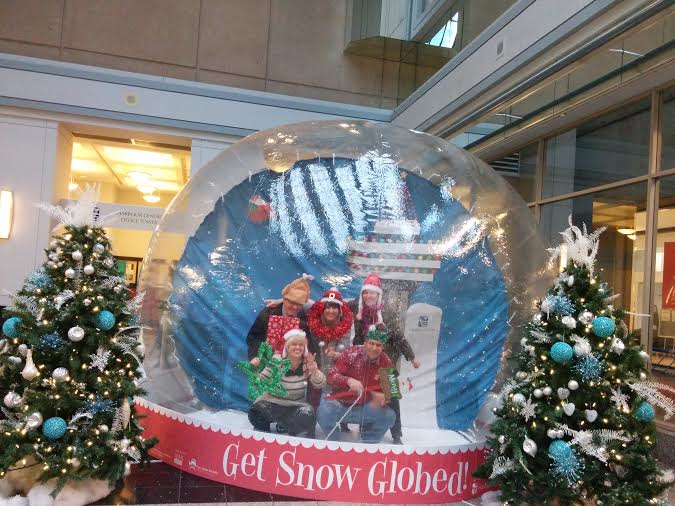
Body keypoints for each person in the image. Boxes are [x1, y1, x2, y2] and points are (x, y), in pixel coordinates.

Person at [346, 272, 420, 444]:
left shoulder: (386, 314)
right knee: (363, 395)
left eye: (371, 292)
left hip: (386, 365)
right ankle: (358, 427)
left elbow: (399, 338)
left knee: (392, 397)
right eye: (365, 292)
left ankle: (397, 434)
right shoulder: (358, 309)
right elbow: (335, 305)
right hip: (364, 363)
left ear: (378, 294)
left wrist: (411, 357)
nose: (368, 296)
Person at [317, 325, 396, 444]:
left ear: (383, 347)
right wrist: (348, 380)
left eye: (378, 345)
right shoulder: (351, 353)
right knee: (323, 411)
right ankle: (334, 442)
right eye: (371, 343)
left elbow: (390, 389)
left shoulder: (386, 362)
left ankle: (368, 442)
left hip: (365, 408)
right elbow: (331, 376)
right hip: (340, 404)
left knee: (389, 416)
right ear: (365, 343)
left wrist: (386, 397)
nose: (374, 348)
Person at [248, 329, 325, 437]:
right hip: (272, 402)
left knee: (307, 416)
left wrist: (314, 370)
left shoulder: (308, 363)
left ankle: (292, 434)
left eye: (301, 345)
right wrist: (254, 370)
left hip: (295, 405)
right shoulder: (276, 360)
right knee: (257, 412)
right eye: (294, 344)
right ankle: (265, 437)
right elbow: (260, 383)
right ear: (287, 347)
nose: (298, 347)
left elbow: (320, 384)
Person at [246, 274, 314, 364]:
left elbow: (308, 343)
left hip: (292, 365)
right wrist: (256, 356)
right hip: (267, 362)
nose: (295, 307)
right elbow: (253, 338)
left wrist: (308, 355)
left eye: (299, 304)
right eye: (292, 302)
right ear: (284, 299)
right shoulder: (268, 313)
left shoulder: (304, 318)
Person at [307, 287, 354, 376]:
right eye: (328, 308)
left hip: (339, 368)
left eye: (334, 308)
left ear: (339, 310)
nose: (331, 311)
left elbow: (347, 350)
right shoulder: (313, 324)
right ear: (322, 309)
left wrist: (338, 355)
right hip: (317, 368)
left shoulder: (347, 324)